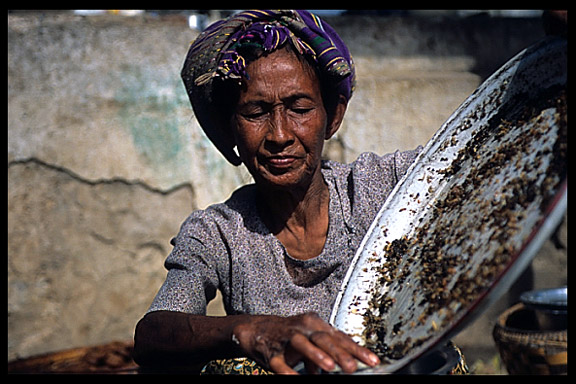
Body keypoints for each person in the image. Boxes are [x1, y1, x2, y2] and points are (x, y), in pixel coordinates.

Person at [133, 9, 564, 375]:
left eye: (300, 109)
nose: (280, 134)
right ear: (230, 128)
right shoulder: (219, 234)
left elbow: (483, 153)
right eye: (255, 112)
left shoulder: (386, 188)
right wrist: (252, 329)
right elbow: (153, 335)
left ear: (332, 115)